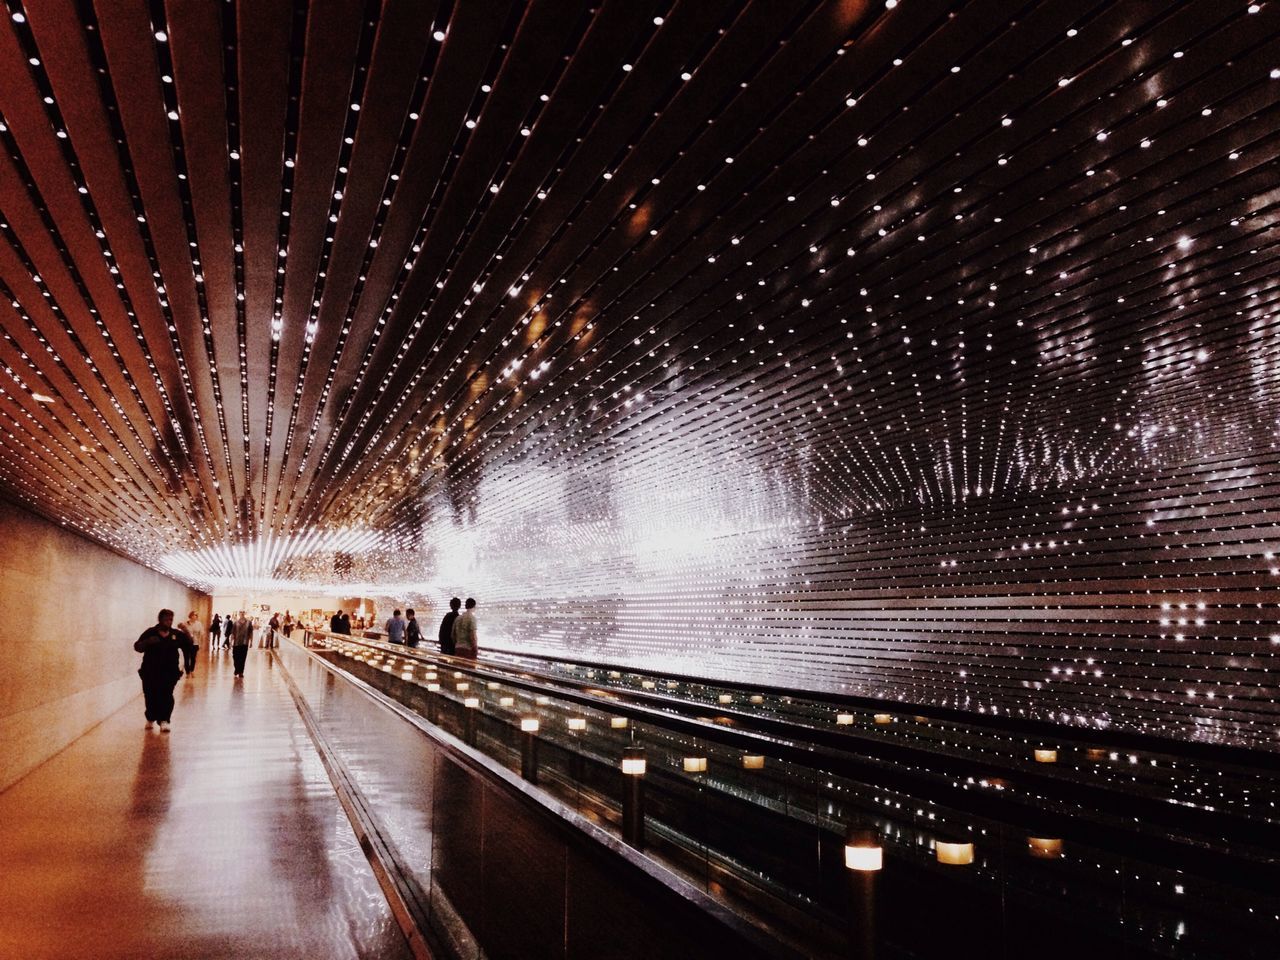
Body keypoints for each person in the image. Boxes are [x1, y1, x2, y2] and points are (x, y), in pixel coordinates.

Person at [134, 609, 197, 731]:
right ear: (160, 620)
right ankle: (150, 717)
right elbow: (137, 647)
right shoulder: (151, 632)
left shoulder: (175, 634)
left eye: (171, 620)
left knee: (167, 696)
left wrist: (185, 630)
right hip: (150, 672)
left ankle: (164, 720)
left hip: (169, 672)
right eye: (167, 619)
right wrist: (148, 642)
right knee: (151, 696)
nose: (169, 622)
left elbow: (189, 644)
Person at [232, 611, 253, 677]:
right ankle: (236, 669)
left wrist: (251, 642)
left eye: (243, 612)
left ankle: (241, 672)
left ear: (245, 614)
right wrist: (231, 642)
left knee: (243, 658)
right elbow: (233, 633)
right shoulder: (235, 623)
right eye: (241, 612)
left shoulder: (249, 623)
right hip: (236, 643)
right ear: (239, 614)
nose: (242, 613)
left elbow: (251, 633)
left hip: (245, 643)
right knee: (235, 657)